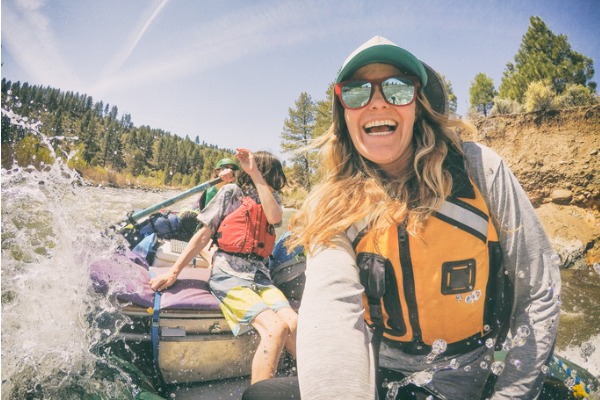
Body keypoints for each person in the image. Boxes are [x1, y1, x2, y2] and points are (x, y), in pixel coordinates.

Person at [243, 36, 561, 399]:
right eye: (357, 92)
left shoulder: (481, 170)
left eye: (396, 88)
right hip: (379, 372)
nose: (377, 101)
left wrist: (511, 394)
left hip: (465, 375)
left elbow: (539, 290)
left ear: (418, 105)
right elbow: (333, 310)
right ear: (344, 114)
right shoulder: (331, 206)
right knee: (262, 395)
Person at [150, 148, 298, 384]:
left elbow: (274, 218)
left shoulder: (273, 199)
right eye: (275, 174)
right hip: (228, 275)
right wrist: (173, 271)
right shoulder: (231, 192)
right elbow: (203, 235)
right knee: (276, 328)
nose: (279, 181)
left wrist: (257, 177)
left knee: (294, 323)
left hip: (260, 276)